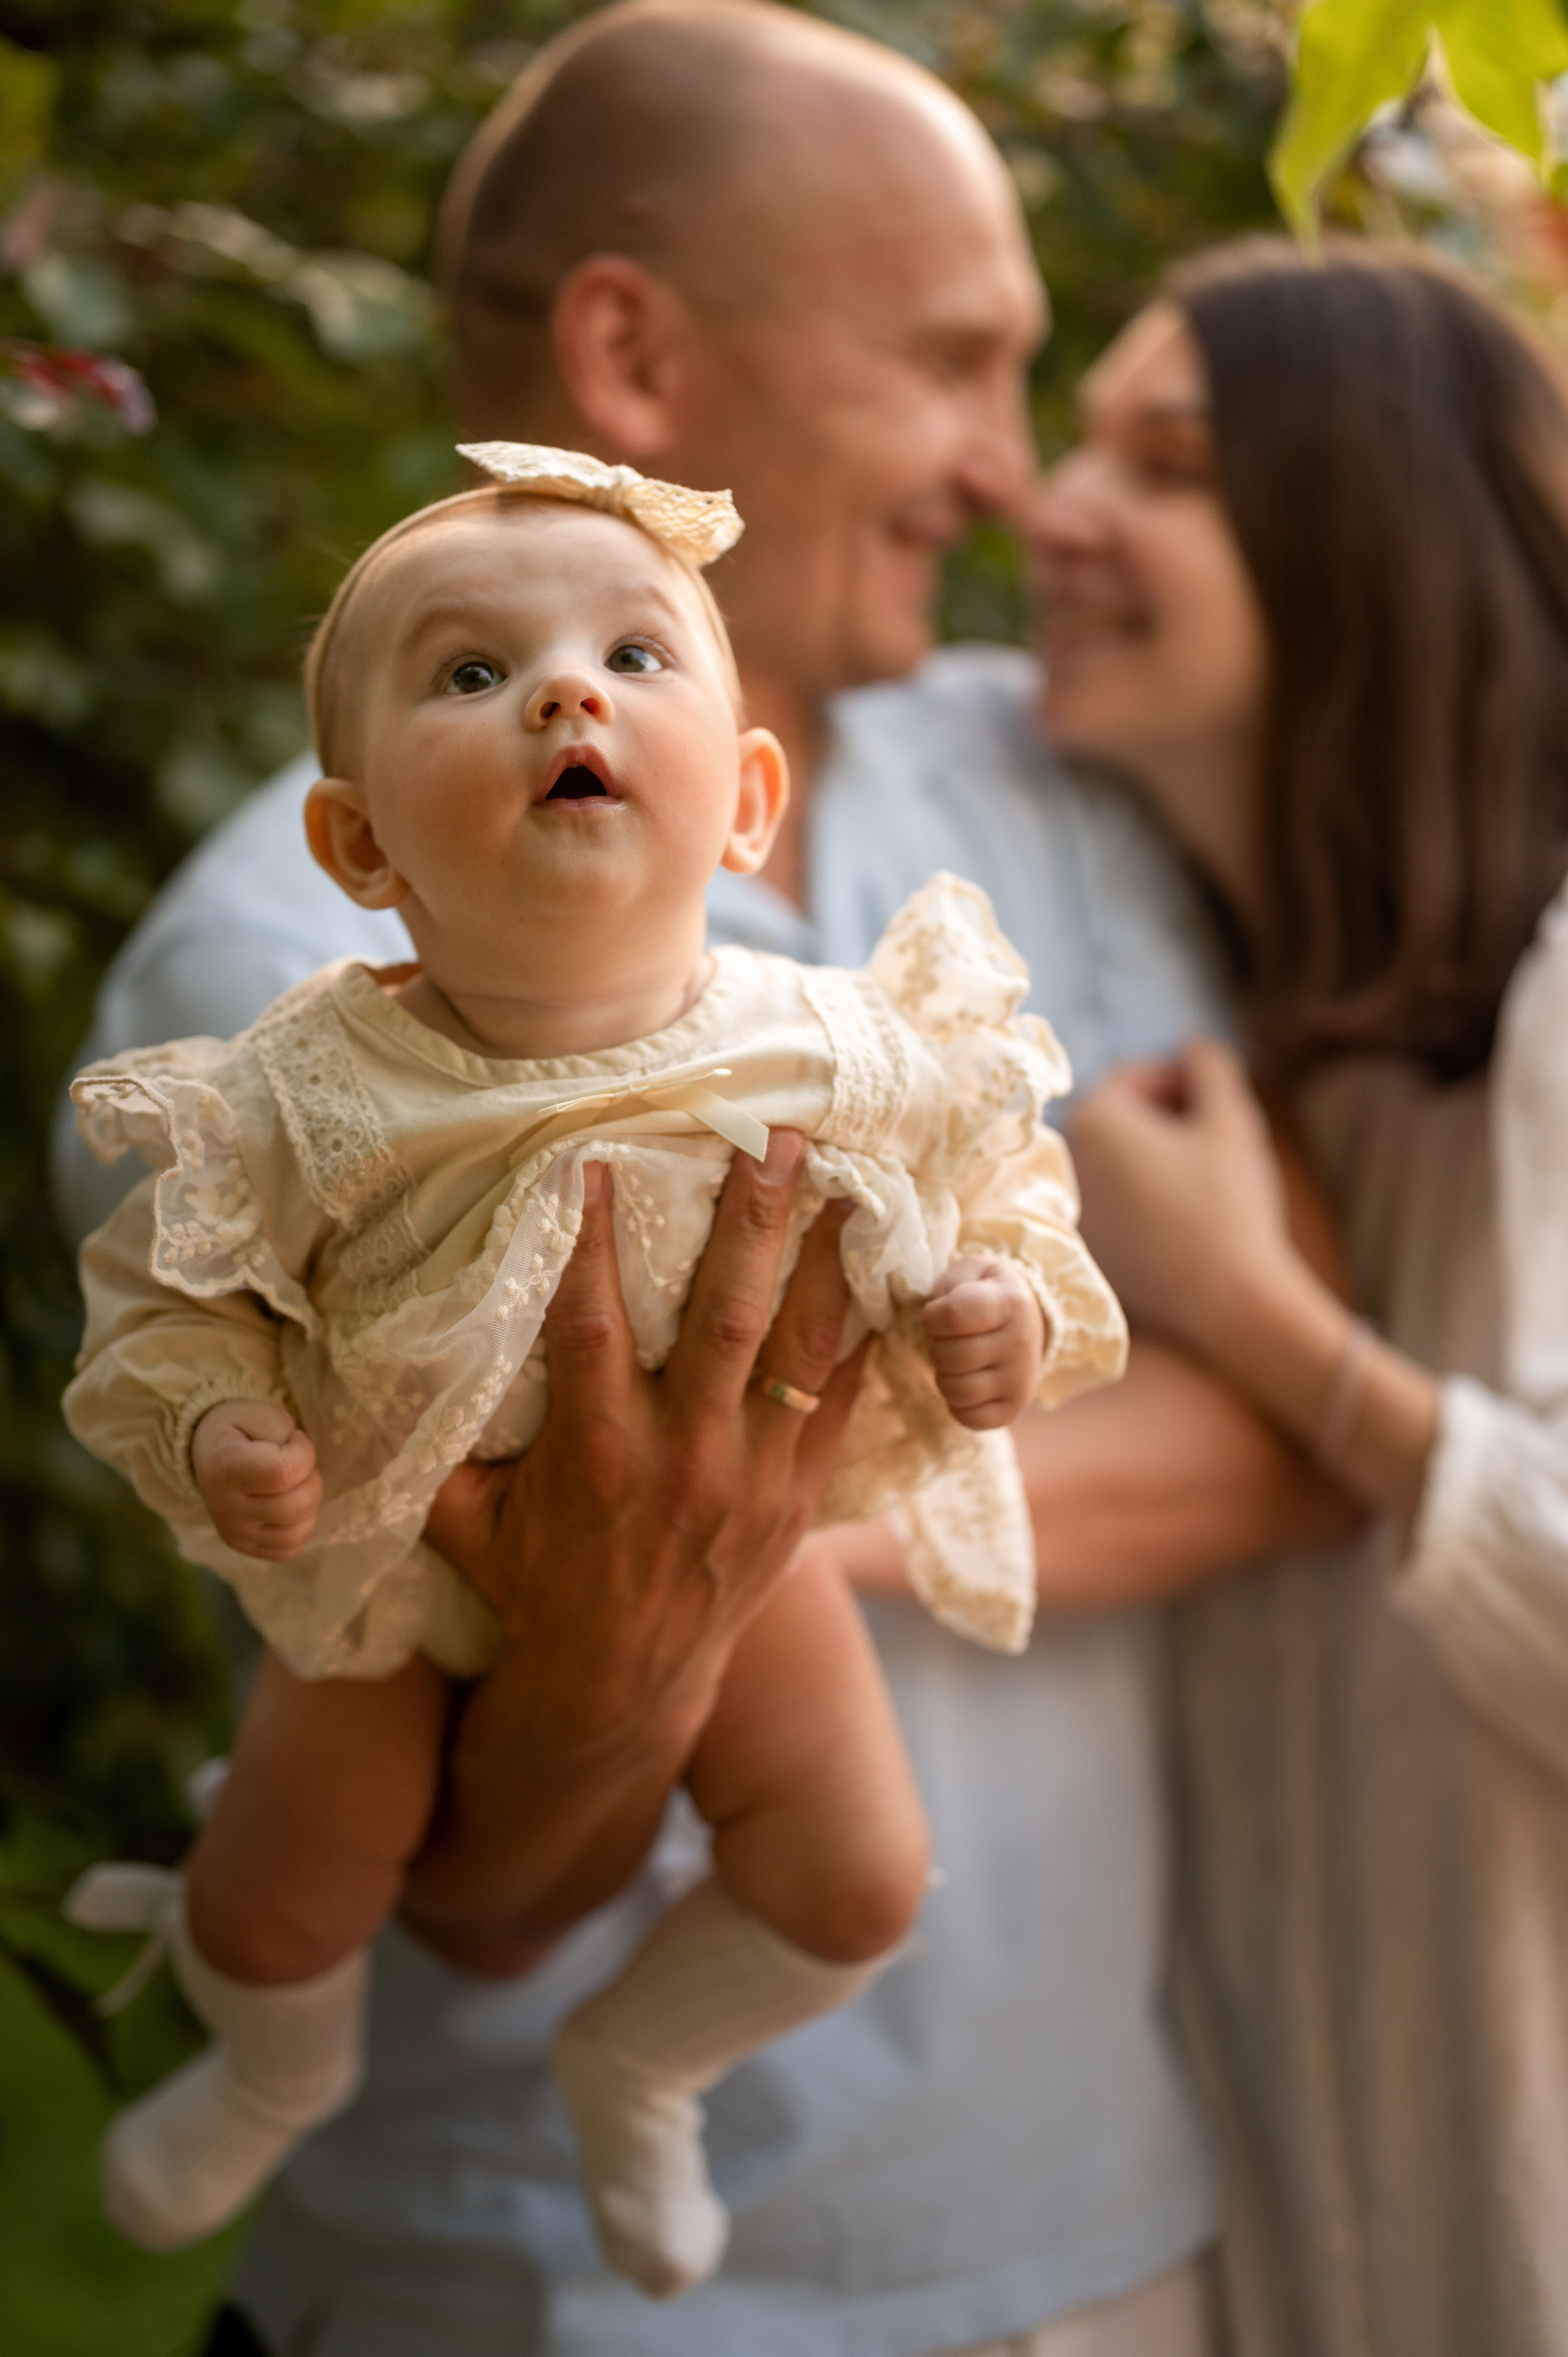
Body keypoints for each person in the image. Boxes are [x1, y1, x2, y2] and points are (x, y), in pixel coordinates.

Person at [55, 9, 1350, 2352]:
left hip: (1102, 2238)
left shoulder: (1018, 782)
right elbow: (475, 1886)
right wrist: (671, 1575)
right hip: (561, 2305)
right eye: (954, 362)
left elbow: (1283, 1406)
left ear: (734, 786)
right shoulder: (295, 1005)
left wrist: (729, 1528)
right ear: (632, 355)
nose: (1011, 470)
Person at [64, 445, 1122, 2286]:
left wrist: (998, 1306)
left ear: (746, 803)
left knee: (859, 1879)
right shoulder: (309, 1090)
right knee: (279, 1904)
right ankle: (276, 2073)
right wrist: (221, 1420)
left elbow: (994, 1186)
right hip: (403, 1561)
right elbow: (176, 1292)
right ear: (362, 849)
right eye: (475, 673)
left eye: (634, 656)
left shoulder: (844, 1048)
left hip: (736, 1549)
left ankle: (644, 2061)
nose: (567, 694)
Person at [1036, 236, 1568, 2357]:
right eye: (1081, 447)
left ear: (1370, 541)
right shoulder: (1217, 1037)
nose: (1055, 510)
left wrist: (1258, 1322)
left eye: (1167, 467)